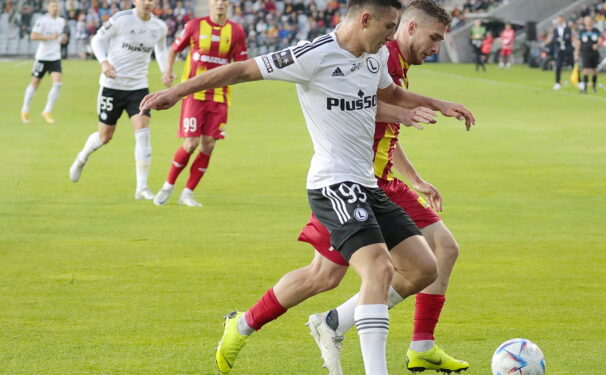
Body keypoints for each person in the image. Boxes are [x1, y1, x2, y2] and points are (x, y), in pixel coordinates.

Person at [138, 0, 476, 374]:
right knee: (376, 268)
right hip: (333, 183)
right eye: (388, 26)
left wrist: (437, 104)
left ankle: (260, 323)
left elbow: (389, 95)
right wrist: (177, 92)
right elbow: (242, 70)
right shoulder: (314, 55)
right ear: (366, 19)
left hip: (368, 184)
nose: (390, 36)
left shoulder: (375, 56)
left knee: (422, 266)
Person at [300, 1, 467, 373]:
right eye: (434, 37)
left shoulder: (397, 63)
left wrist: (416, 179)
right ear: (408, 28)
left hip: (382, 179)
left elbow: (388, 132)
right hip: (360, 181)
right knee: (327, 275)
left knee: (441, 251)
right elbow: (360, 108)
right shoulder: (382, 56)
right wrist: (422, 110)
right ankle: (325, 324)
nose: (437, 47)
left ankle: (417, 343)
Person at [68, 0, 169, 201]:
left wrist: (166, 70)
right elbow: (97, 40)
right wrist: (104, 62)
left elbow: (161, 50)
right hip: (112, 86)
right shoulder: (121, 19)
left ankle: (142, 187)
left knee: (143, 132)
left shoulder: (159, 26)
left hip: (138, 88)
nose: (147, 3)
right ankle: (82, 157)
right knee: (105, 136)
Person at [152, 0, 248, 207]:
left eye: (224, 1)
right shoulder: (194, 26)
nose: (220, 4)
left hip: (220, 96)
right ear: (210, 3)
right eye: (216, 0)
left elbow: (242, 64)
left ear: (229, 5)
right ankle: (168, 185)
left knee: (209, 144)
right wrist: (167, 71)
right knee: (191, 143)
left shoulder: (237, 31)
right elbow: (174, 49)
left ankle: (187, 193)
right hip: (194, 94)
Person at [21, 0, 66, 124]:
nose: (55, 8)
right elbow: (33, 36)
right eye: (53, 6)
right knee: (35, 84)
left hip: (55, 57)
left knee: (58, 83)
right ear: (48, 8)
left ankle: (47, 111)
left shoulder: (61, 21)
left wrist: (62, 39)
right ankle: (25, 109)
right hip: (42, 57)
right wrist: (49, 37)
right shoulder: (42, 20)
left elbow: (58, 36)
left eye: (57, 6)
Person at [574, 16, 601, 94]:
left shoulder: (596, 31)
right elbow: (578, 43)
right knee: (585, 69)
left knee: (594, 70)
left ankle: (594, 87)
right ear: (584, 22)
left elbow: (600, 40)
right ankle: (585, 88)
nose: (588, 22)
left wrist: (597, 45)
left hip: (594, 53)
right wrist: (576, 53)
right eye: (586, 20)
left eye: (589, 20)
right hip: (585, 52)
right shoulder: (582, 32)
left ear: (592, 21)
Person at [548, 15, 572, 90]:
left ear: (563, 19)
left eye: (560, 19)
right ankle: (557, 82)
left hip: (567, 49)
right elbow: (555, 39)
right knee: (558, 66)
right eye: (557, 19)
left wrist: (561, 40)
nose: (559, 21)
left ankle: (579, 81)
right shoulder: (555, 29)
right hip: (559, 50)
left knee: (573, 64)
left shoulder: (567, 28)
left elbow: (568, 38)